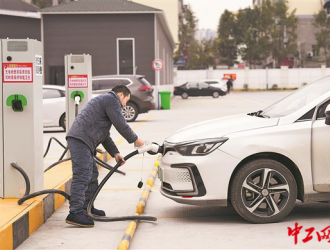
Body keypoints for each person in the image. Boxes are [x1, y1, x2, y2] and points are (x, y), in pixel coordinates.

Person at [65, 85, 144, 227]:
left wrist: (115, 153)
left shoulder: (105, 102)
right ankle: (75, 212)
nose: (125, 105)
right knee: (82, 175)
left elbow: (105, 135)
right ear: (120, 95)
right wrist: (135, 140)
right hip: (80, 140)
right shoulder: (111, 99)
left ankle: (87, 207)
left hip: (84, 140)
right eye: (126, 100)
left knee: (92, 174)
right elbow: (121, 124)